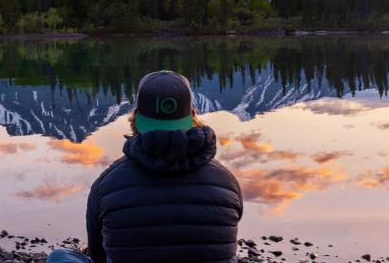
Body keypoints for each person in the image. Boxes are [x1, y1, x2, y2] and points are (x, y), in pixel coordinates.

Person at [47, 70, 243, 263]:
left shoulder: (106, 185)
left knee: (59, 257)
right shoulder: (227, 183)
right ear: (192, 116)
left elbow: (98, 254)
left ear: (136, 118)